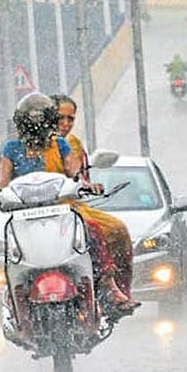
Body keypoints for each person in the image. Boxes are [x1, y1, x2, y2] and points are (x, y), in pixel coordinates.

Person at [0, 93, 137, 316]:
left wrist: (87, 185)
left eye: (42, 122)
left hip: (63, 212)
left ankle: (109, 286)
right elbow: (2, 185)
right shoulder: (11, 148)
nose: (37, 128)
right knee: (8, 250)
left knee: (96, 232)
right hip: (24, 218)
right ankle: (14, 301)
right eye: (32, 123)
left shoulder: (61, 144)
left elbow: (75, 174)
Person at [51, 94, 137, 314]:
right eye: (61, 117)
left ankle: (115, 290)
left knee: (116, 230)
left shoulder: (72, 145)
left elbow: (79, 178)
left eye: (71, 119)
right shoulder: (28, 145)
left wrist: (87, 185)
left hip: (71, 208)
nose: (66, 124)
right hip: (36, 213)